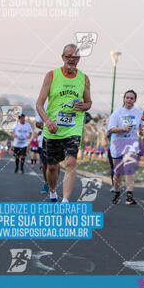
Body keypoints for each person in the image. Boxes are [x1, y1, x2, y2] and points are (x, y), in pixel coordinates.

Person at [36, 43, 92, 203]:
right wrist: (47, 121)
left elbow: (89, 102)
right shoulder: (51, 76)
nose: (72, 60)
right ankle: (53, 191)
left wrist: (84, 106)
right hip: (52, 128)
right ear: (62, 58)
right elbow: (39, 104)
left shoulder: (84, 78)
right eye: (69, 57)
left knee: (71, 161)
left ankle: (65, 201)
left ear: (79, 59)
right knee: (52, 166)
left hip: (72, 128)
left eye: (75, 57)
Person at [107, 90, 144, 205]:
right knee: (118, 172)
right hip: (117, 143)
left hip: (131, 143)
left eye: (131, 98)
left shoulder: (138, 112)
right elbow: (111, 129)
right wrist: (123, 128)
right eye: (127, 98)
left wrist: (142, 131)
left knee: (129, 169)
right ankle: (117, 194)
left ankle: (129, 196)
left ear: (135, 100)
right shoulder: (117, 113)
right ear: (124, 99)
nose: (129, 100)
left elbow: (141, 126)